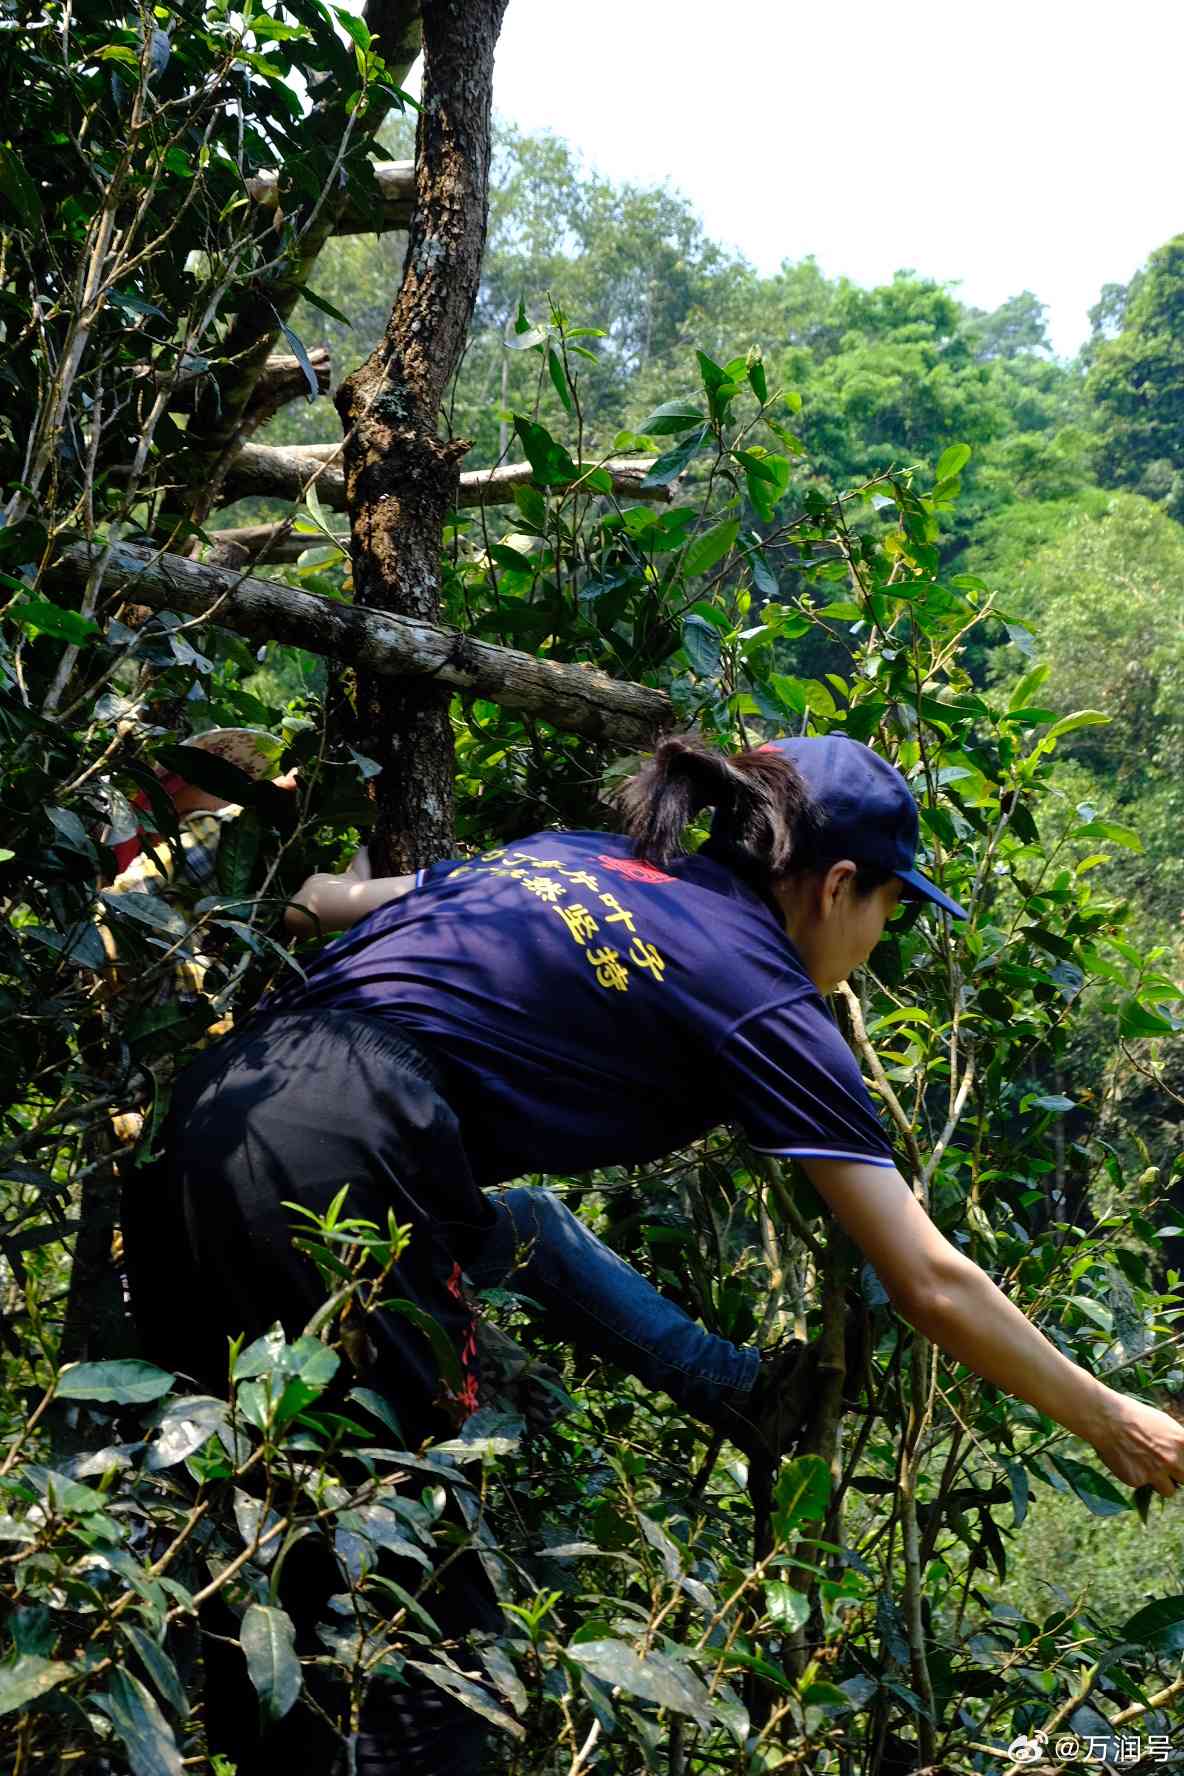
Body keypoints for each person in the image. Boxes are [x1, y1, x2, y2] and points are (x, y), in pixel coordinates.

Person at [123, 733, 1184, 1776]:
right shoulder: (760, 990)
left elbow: (319, 901)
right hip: (346, 1155)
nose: (879, 938)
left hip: (207, 1121)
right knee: (406, 1611)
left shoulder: (573, 855)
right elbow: (926, 1277)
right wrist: (1111, 1418)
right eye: (889, 909)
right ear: (836, 885)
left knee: (247, 1551)